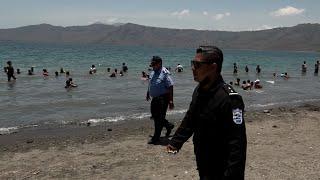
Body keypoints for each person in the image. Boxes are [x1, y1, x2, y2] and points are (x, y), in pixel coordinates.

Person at [167, 46, 247, 179]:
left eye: (197, 65)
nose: (193, 68)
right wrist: (176, 141)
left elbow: (237, 144)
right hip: (203, 158)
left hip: (222, 165)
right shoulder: (199, 91)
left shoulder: (230, 99)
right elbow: (191, 118)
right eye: (193, 63)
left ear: (213, 67)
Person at [146, 56, 174, 144]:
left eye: (154, 64)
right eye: (152, 64)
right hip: (155, 98)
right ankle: (169, 126)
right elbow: (151, 82)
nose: (152, 66)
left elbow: (170, 86)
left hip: (163, 98)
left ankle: (156, 138)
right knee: (155, 117)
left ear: (159, 64)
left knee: (159, 119)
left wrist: (170, 100)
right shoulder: (153, 72)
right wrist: (148, 92)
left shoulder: (164, 73)